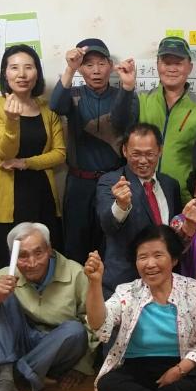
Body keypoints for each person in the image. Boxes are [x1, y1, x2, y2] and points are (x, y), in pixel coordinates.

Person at [88, 225, 196, 391]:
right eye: (142, 257)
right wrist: (95, 283)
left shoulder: (194, 290)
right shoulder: (127, 291)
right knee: (108, 385)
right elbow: (99, 324)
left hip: (181, 365)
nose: (150, 264)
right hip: (137, 368)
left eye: (158, 255)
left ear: (174, 259)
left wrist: (179, 370)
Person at [0, 222, 95, 391]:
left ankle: (6, 380)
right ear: (12, 256)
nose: (32, 263)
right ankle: (6, 379)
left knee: (75, 330)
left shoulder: (75, 273)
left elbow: (93, 323)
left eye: (38, 253)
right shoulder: (5, 275)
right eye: (23, 256)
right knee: (2, 299)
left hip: (57, 350)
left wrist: (82, 366)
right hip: (20, 344)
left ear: (49, 250)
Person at [0, 44, 65, 289]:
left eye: (29, 67)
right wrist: (12, 120)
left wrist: (27, 163)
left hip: (42, 196)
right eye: (14, 68)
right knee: (6, 266)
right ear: (5, 74)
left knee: (44, 263)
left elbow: (59, 154)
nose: (22, 74)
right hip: (7, 201)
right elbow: (5, 151)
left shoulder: (47, 109)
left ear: (37, 73)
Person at [50, 38, 135, 264]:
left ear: (110, 66)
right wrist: (69, 69)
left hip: (113, 182)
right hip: (79, 182)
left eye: (101, 63)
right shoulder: (74, 94)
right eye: (88, 65)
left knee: (111, 242)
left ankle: (108, 287)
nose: (96, 70)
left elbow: (121, 122)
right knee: (75, 243)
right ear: (81, 69)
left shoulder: (124, 95)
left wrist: (127, 88)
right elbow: (55, 106)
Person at [112, 36, 196, 202]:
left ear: (190, 67)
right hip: (139, 191)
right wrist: (127, 87)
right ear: (157, 65)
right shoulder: (141, 99)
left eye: (178, 63)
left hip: (181, 195)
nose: (172, 69)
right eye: (166, 63)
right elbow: (118, 124)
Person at [97, 123, 181, 298]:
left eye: (149, 154)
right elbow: (108, 225)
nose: (143, 161)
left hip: (164, 283)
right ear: (124, 151)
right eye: (136, 154)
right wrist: (121, 205)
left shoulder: (170, 185)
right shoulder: (111, 181)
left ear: (160, 151)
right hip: (124, 283)